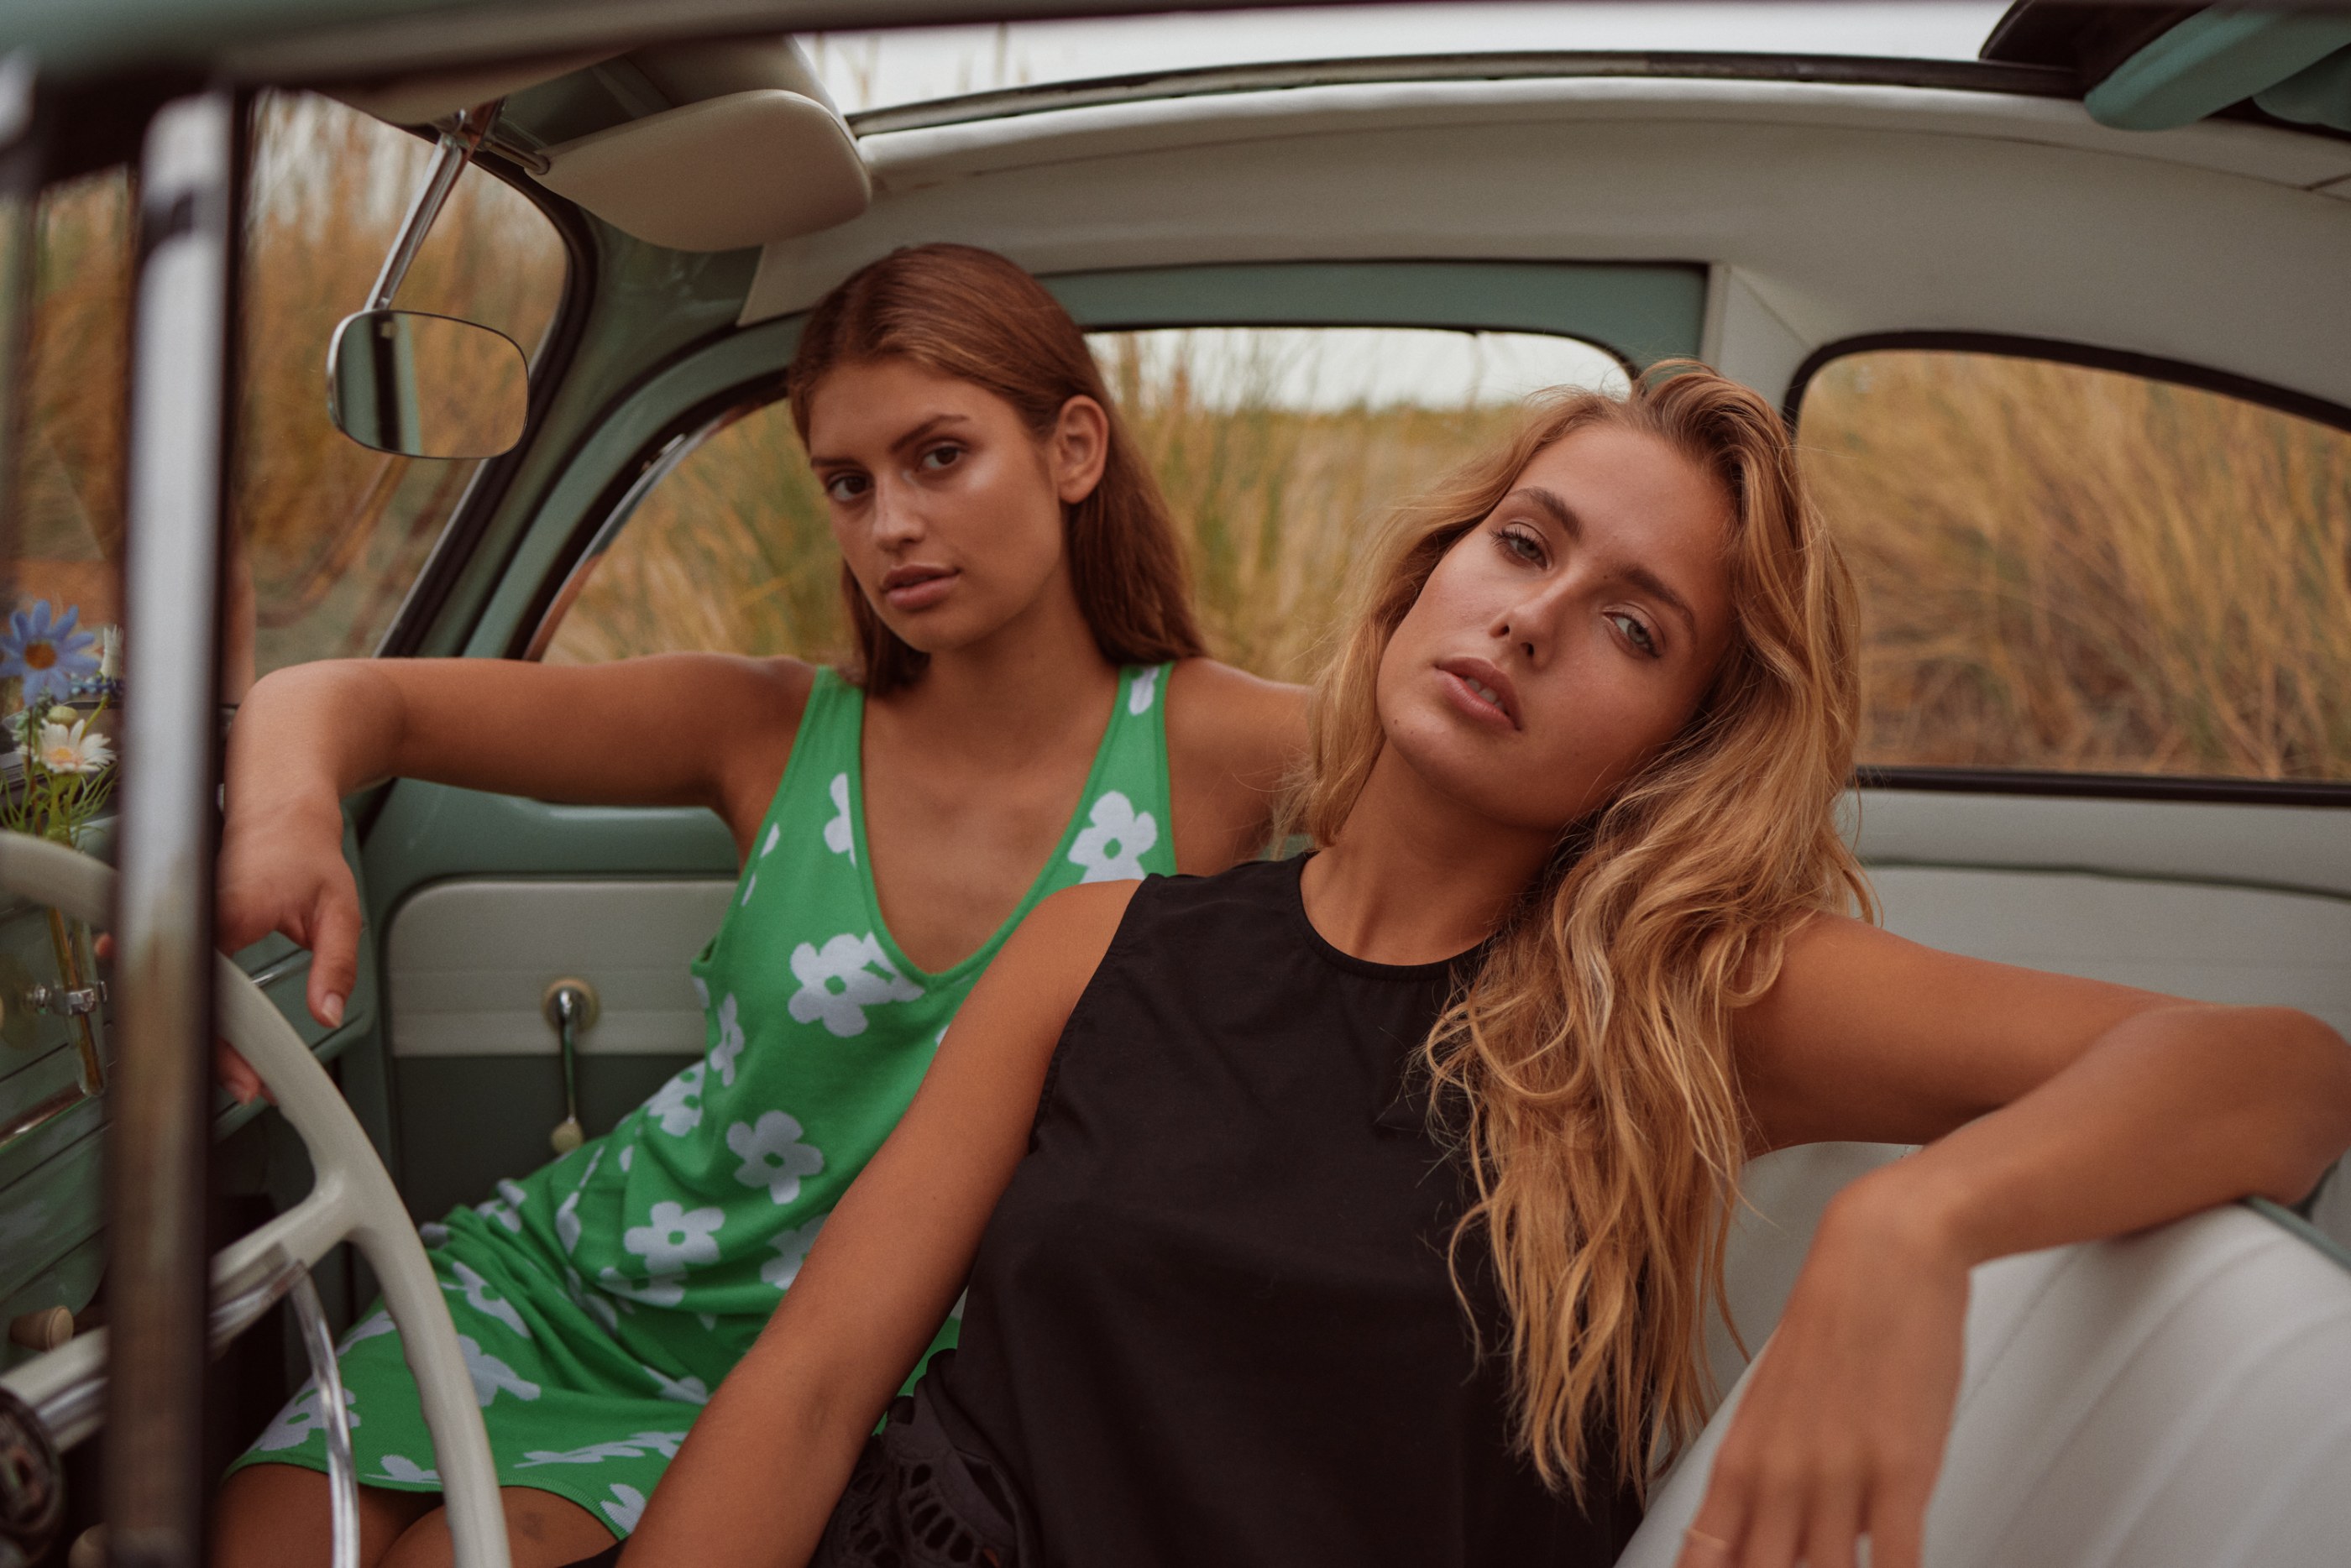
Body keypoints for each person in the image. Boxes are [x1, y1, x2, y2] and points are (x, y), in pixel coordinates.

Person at [612, 366, 2351, 1568]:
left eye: (1631, 622)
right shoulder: (1103, 936)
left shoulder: (1681, 1001)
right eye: (1523, 542)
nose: (1528, 614)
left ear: (1674, 741)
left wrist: (1919, 1223)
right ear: (1436, 564)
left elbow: (2279, 1071)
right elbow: (817, 1379)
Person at [211, 243, 1305, 1568]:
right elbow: (342, 699)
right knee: (262, 1540)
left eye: (939, 457)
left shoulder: (1221, 744)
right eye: (848, 483)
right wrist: (282, 820)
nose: (890, 522)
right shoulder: (766, 725)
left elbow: (1520, 799)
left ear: (1074, 449)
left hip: (849, 1379)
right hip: (567, 1290)